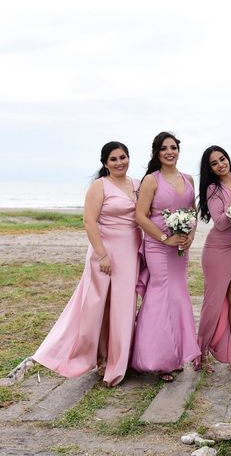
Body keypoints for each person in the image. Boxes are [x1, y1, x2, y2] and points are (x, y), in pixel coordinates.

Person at [33, 141, 141, 387]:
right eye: (113, 159)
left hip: (131, 252)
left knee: (124, 307)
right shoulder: (98, 186)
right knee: (99, 307)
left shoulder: (137, 184)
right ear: (105, 163)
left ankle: (120, 360)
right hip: (105, 252)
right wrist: (102, 255)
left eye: (122, 157)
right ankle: (101, 358)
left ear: (128, 158)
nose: (119, 162)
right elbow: (89, 222)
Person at [130, 132, 200, 382]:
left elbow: (192, 212)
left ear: (179, 151)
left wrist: (190, 235)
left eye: (173, 147)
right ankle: (157, 359)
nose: (170, 152)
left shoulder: (189, 178)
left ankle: (175, 355)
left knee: (179, 295)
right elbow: (140, 216)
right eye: (164, 148)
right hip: (158, 246)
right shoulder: (151, 180)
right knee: (160, 294)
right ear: (157, 153)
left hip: (181, 248)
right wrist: (164, 238)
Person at [195, 146, 231, 373]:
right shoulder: (212, 189)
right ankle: (202, 349)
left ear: (228, 159)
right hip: (216, 249)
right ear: (211, 169)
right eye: (214, 163)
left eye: (222, 159)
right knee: (214, 301)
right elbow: (219, 222)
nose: (220, 165)